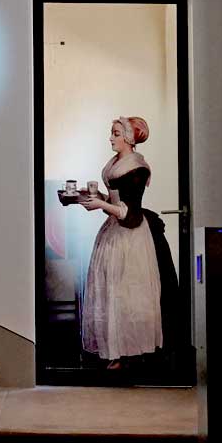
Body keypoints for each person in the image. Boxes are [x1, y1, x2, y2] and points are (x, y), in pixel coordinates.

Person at [79, 116, 176, 369]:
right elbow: (115, 203)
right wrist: (93, 198)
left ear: (129, 138)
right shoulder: (116, 164)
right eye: (112, 133)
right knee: (111, 290)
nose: (111, 138)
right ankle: (115, 351)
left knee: (128, 292)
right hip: (113, 233)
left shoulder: (136, 169)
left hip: (130, 237)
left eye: (115, 133)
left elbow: (128, 213)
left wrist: (100, 204)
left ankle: (130, 352)